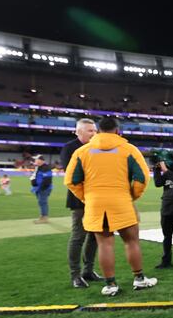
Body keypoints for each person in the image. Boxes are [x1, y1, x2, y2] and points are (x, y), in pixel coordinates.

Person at [64, 116, 157, 296]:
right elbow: (142, 177)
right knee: (131, 241)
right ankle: (139, 279)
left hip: (96, 204)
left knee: (105, 244)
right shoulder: (128, 149)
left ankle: (111, 285)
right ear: (117, 130)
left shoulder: (83, 151)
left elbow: (71, 181)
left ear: (98, 130)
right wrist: (132, 195)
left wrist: (87, 198)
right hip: (121, 201)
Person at [60, 118, 101, 288]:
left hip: (97, 198)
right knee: (78, 236)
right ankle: (75, 275)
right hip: (79, 200)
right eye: (90, 130)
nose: (94, 133)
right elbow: (72, 176)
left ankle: (88, 270)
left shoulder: (98, 148)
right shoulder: (70, 148)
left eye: (95, 130)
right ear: (79, 132)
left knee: (94, 236)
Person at [31, 154, 53, 224]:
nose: (35, 161)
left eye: (36, 159)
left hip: (44, 188)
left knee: (43, 202)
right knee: (41, 202)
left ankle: (44, 217)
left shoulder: (46, 168)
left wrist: (41, 188)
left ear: (41, 160)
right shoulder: (38, 167)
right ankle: (42, 216)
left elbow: (47, 180)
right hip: (39, 188)